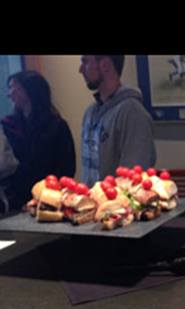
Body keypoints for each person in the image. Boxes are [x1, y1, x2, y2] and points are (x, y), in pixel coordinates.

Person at [0, 70, 76, 211]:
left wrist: (49, 198)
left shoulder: (57, 126)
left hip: (49, 202)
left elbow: (66, 168)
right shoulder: (7, 126)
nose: (8, 94)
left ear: (29, 90)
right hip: (14, 203)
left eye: (12, 87)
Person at [79, 55, 156, 186]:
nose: (81, 69)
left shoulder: (132, 113)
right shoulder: (90, 113)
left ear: (105, 65)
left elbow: (132, 178)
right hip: (92, 203)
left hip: (117, 204)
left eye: (85, 62)